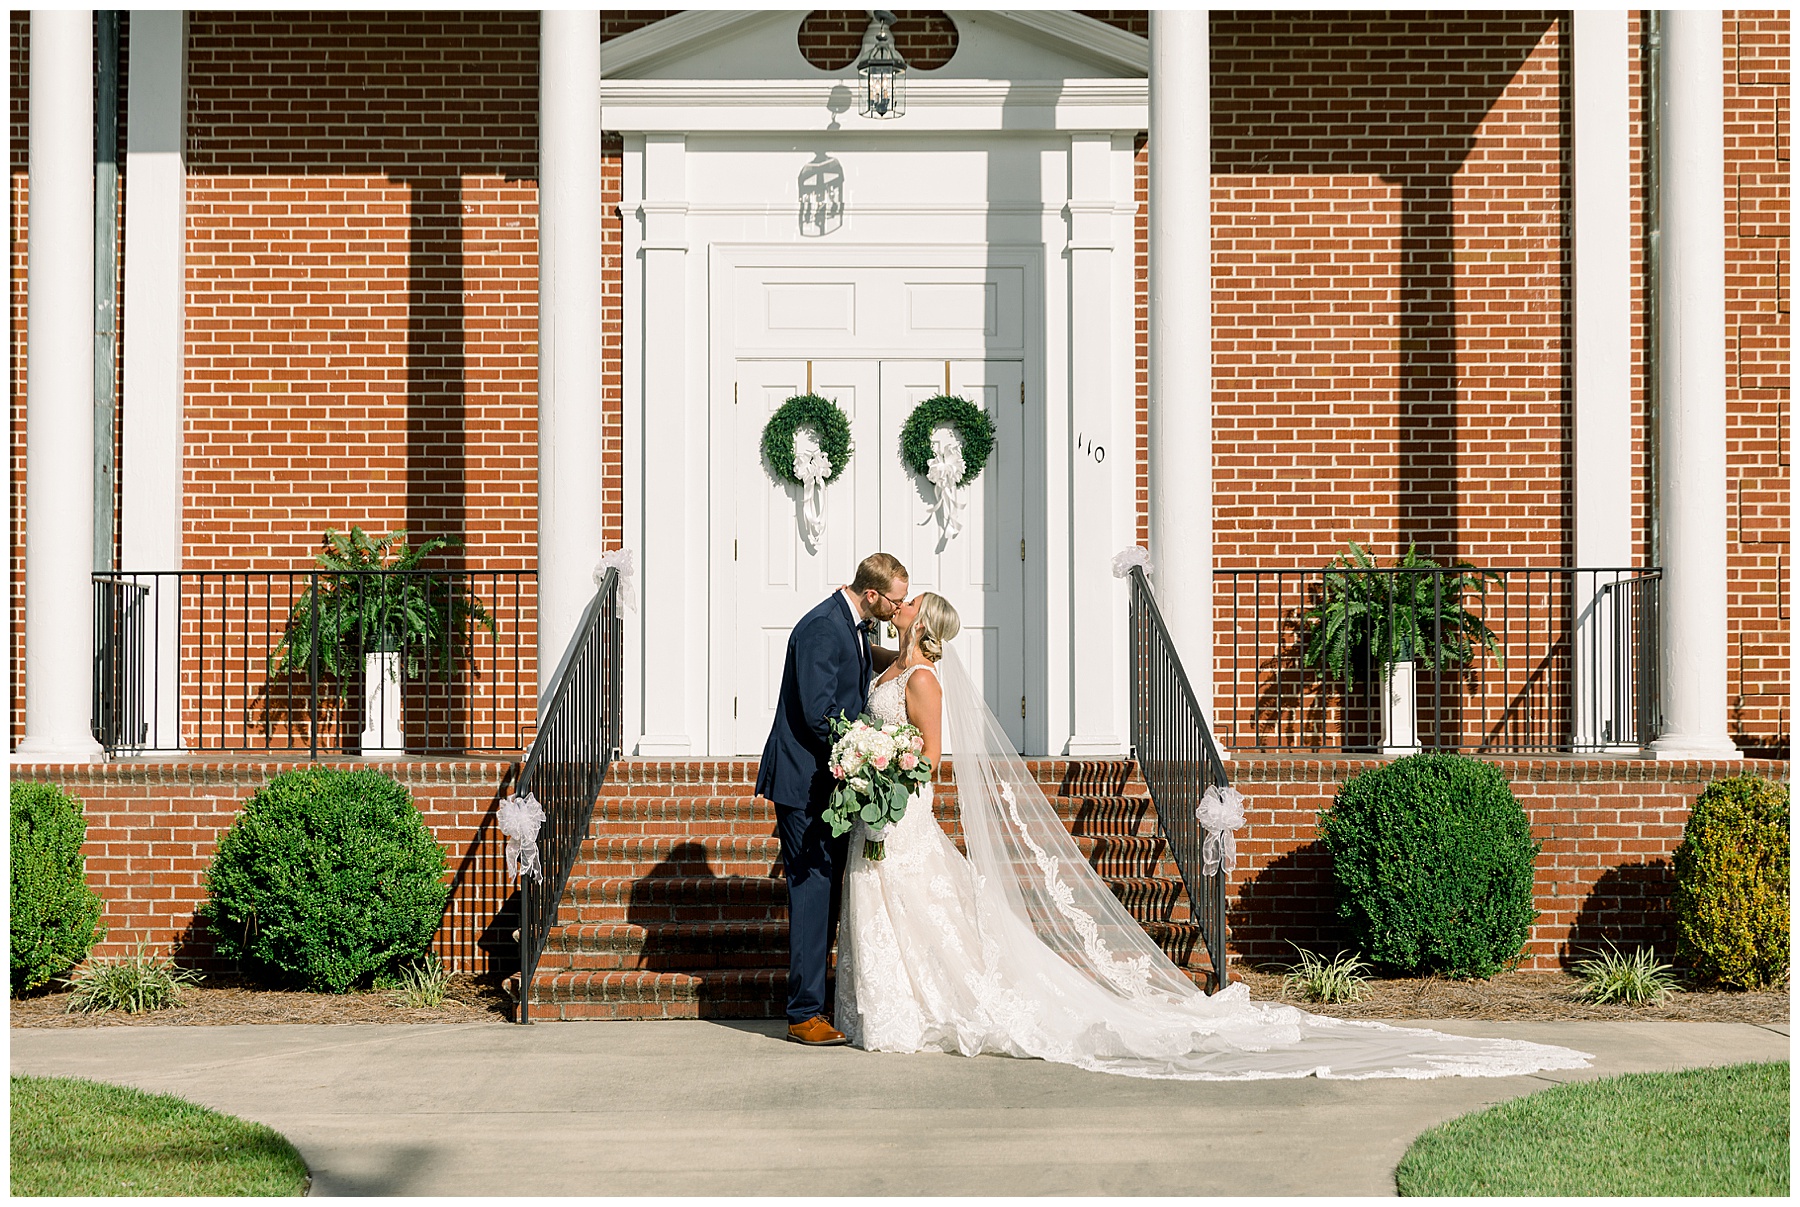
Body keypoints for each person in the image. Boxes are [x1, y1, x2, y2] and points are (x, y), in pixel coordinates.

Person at [834, 591, 1594, 1081]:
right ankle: (896, 1008)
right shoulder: (883, 670)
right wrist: (865, 760)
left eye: (907, 608)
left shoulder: (925, 681)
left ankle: (931, 1008)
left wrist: (888, 765)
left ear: (921, 627)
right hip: (878, 812)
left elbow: (929, 757)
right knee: (899, 907)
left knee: (926, 907)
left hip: (902, 810)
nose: (896, 610)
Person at [757, 553, 907, 1045]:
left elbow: (861, 670)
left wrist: (912, 653)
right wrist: (869, 751)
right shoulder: (822, 627)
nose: (897, 608)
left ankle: (816, 1005)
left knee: (824, 888)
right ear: (871, 594)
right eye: (895, 600)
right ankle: (803, 1014)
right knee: (812, 888)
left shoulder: (855, 625)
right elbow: (820, 714)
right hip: (804, 782)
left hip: (828, 783)